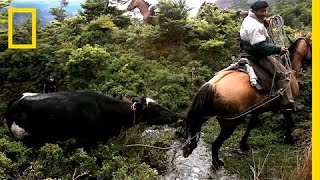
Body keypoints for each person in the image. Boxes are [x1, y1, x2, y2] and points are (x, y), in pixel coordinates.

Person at [239, 0, 294, 108]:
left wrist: (264, 21)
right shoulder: (254, 26)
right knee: (283, 74)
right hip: (258, 55)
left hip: (248, 52)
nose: (264, 13)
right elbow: (260, 46)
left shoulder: (249, 18)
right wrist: (278, 49)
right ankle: (287, 104)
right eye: (261, 11)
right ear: (254, 11)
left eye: (265, 10)